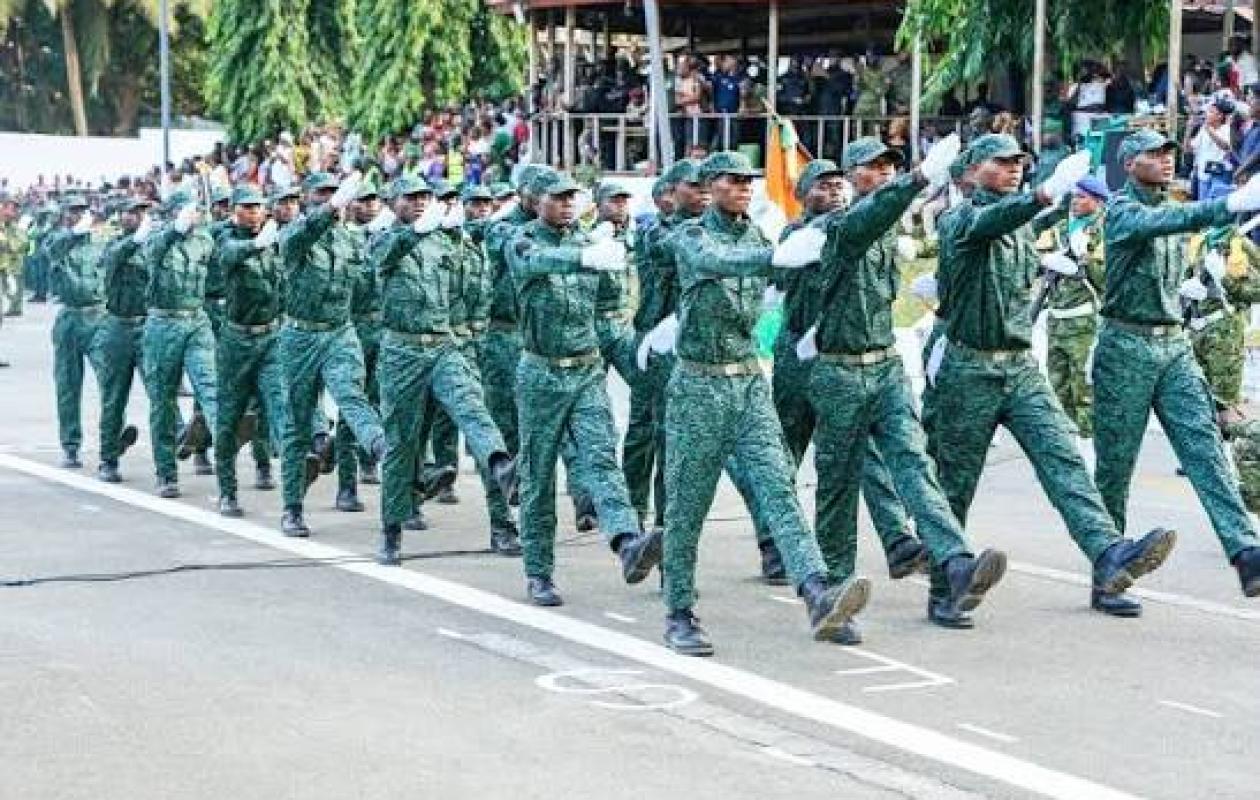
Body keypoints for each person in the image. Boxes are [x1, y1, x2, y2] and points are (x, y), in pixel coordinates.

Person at [930, 134, 1178, 617]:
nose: (1015, 169)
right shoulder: (960, 218)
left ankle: (1108, 553)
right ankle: (946, 586)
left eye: (1020, 163)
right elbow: (991, 221)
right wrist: (1042, 195)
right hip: (970, 367)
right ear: (974, 168)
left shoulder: (1024, 225)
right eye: (1002, 164)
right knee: (955, 483)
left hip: (1020, 366)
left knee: (1064, 457)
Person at [778, 136, 1010, 635]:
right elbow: (871, 218)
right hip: (838, 373)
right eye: (869, 168)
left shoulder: (883, 225)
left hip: (882, 368)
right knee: (837, 487)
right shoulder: (838, 226)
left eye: (890, 166)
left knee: (914, 465)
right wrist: (920, 178)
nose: (881, 173)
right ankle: (834, 594)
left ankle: (953, 562)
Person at [651, 152, 871, 656]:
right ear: (710, 185)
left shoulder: (756, 234)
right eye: (734, 180)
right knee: (688, 504)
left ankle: (816, 590)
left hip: (748, 382)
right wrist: (773, 258)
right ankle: (679, 610)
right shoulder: (689, 235)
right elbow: (716, 263)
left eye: (750, 181)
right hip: (698, 385)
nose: (745, 187)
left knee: (779, 488)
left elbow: (789, 280)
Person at [1095, 128, 1260, 598]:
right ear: (1129, 164)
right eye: (1153, 155)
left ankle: (1246, 551)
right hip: (1125, 344)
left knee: (1205, 449)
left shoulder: (1170, 206)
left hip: (1173, 345)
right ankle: (1108, 567)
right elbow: (1166, 221)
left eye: (1169, 153)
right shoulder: (1123, 211)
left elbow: (1178, 219)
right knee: (1115, 467)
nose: (1166, 161)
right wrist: (1229, 203)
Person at [771, 158, 928, 602]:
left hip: (842, 358)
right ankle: (778, 540)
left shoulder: (855, 229)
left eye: (839, 184)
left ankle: (897, 540)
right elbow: (789, 279)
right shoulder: (798, 234)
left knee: (866, 453)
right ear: (804, 195)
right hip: (799, 354)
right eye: (823, 187)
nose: (835, 192)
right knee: (787, 451)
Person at [506, 170, 662, 606]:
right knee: (538, 476)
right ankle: (539, 571)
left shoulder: (592, 240)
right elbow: (530, 262)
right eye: (557, 197)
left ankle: (626, 541)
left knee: (601, 459)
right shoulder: (521, 240)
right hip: (541, 373)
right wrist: (584, 258)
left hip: (587, 368)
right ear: (537, 201)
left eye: (572, 196)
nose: (567, 203)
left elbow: (615, 303)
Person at [371, 175, 518, 566]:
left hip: (443, 344)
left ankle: (502, 468)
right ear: (393, 201)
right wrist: (417, 231)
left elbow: (464, 291)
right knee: (402, 443)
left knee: (472, 407)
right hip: (401, 350)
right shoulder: (384, 239)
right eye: (411, 197)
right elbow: (385, 255)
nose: (419, 202)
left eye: (424, 197)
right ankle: (391, 529)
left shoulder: (444, 240)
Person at [277, 171, 387, 537]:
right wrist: (332, 206)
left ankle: (380, 447)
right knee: (297, 422)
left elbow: (370, 286)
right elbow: (300, 235)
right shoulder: (293, 235)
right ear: (308, 199)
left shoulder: (354, 241)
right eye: (322, 194)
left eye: (336, 194)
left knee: (351, 396)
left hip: (341, 332)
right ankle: (292, 507)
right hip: (300, 335)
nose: (332, 199)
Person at [211, 185, 286, 518]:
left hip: (270, 337)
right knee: (229, 417)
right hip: (236, 341)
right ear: (234, 211)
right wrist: (256, 245)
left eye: (258, 207)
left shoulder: (277, 238)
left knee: (277, 405)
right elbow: (227, 254)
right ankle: (227, 491)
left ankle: (278, 468)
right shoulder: (226, 237)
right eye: (247, 207)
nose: (254, 212)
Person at [141, 191, 218, 498]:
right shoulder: (157, 239)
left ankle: (219, 436)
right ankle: (166, 472)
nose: (194, 215)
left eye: (195, 211)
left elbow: (214, 279)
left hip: (196, 320)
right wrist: (175, 230)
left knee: (209, 385)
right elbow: (151, 253)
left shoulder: (205, 240)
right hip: (163, 323)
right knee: (163, 400)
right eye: (187, 211)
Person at [1034, 177, 1108, 444]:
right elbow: (1035, 263)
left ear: (1098, 201)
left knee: (1084, 391)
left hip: (1085, 322)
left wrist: (1084, 264)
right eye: (1074, 196)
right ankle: (1068, 449)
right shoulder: (1060, 229)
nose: (1076, 201)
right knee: (1058, 387)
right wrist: (1044, 261)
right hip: (1057, 320)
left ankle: (1090, 451)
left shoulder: (1105, 232)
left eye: (1083, 197)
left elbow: (1106, 281)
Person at [45, 196, 106, 469]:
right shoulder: (56, 241)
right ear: (64, 215)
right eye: (73, 211)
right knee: (68, 385)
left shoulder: (100, 245)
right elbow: (53, 250)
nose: (78, 216)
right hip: (70, 317)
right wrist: (73, 234)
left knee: (111, 380)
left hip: (98, 317)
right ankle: (70, 445)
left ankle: (113, 437)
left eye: (82, 211)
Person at [94, 197, 150, 482]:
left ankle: (177, 442)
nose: (135, 217)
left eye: (140, 213)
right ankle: (108, 457)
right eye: (130, 212)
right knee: (114, 396)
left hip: (147, 325)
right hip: (117, 326)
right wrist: (136, 241)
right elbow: (112, 258)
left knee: (160, 390)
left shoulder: (153, 245)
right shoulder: (114, 245)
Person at [1185, 97, 1236, 200]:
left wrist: (1208, 129)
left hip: (1220, 174)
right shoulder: (1204, 129)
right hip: (1203, 174)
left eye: (1211, 112)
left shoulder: (1227, 128)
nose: (1207, 114)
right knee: (1203, 206)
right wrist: (1189, 129)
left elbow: (1226, 146)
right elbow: (1189, 149)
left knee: (1215, 206)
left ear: (1220, 116)